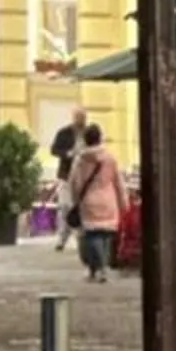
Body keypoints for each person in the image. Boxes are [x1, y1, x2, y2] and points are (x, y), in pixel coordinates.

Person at [69, 123, 128, 283]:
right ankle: (100, 268)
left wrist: (75, 201)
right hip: (108, 200)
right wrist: (124, 202)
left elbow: (74, 182)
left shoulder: (80, 160)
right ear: (100, 138)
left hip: (88, 201)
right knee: (106, 236)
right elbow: (118, 181)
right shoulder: (110, 158)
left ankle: (98, 268)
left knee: (92, 236)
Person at [49, 109, 90, 250]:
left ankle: (81, 237)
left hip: (85, 177)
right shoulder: (64, 133)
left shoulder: (89, 133)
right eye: (79, 117)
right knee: (65, 207)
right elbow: (54, 150)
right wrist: (67, 153)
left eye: (83, 117)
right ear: (74, 118)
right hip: (66, 176)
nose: (81, 120)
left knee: (83, 208)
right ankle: (62, 238)